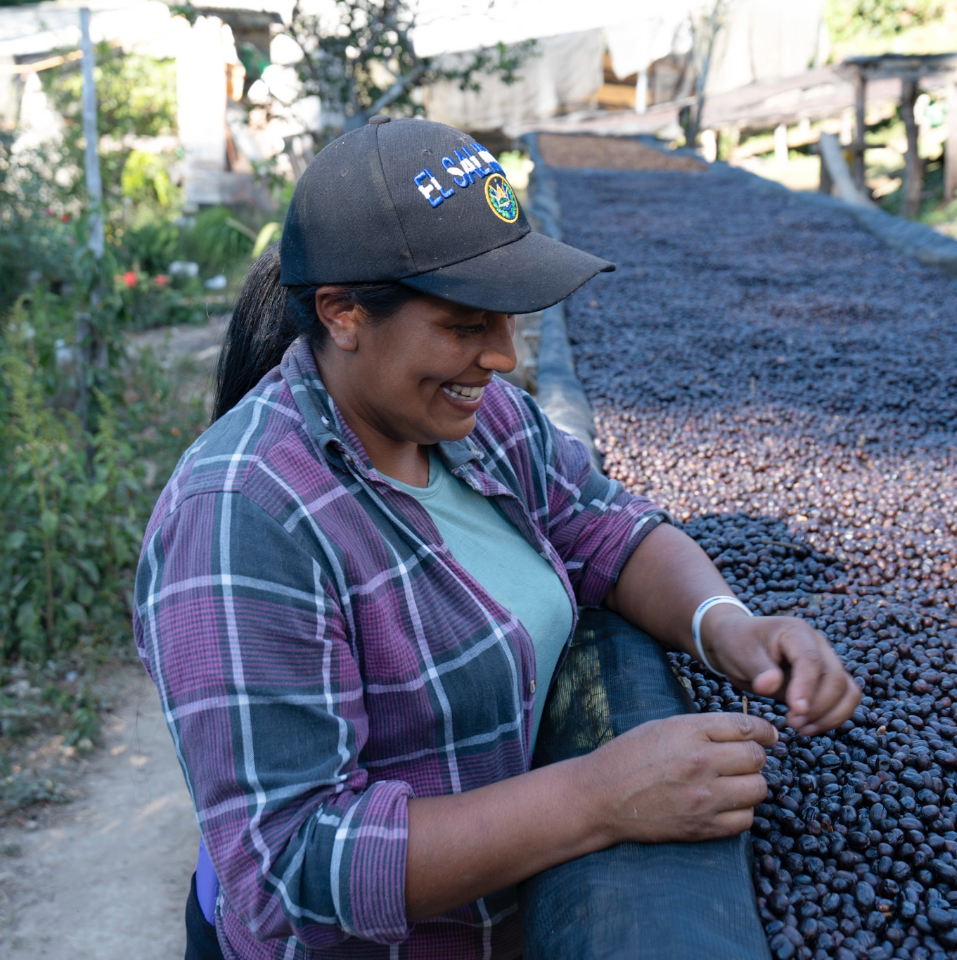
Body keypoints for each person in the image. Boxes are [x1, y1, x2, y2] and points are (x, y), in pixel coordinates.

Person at [133, 117, 861, 960]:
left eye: (509, 318)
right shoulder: (244, 517)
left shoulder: (480, 422)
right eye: (465, 324)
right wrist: (600, 796)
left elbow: (604, 526)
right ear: (342, 314)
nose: (506, 356)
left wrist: (728, 625)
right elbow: (291, 864)